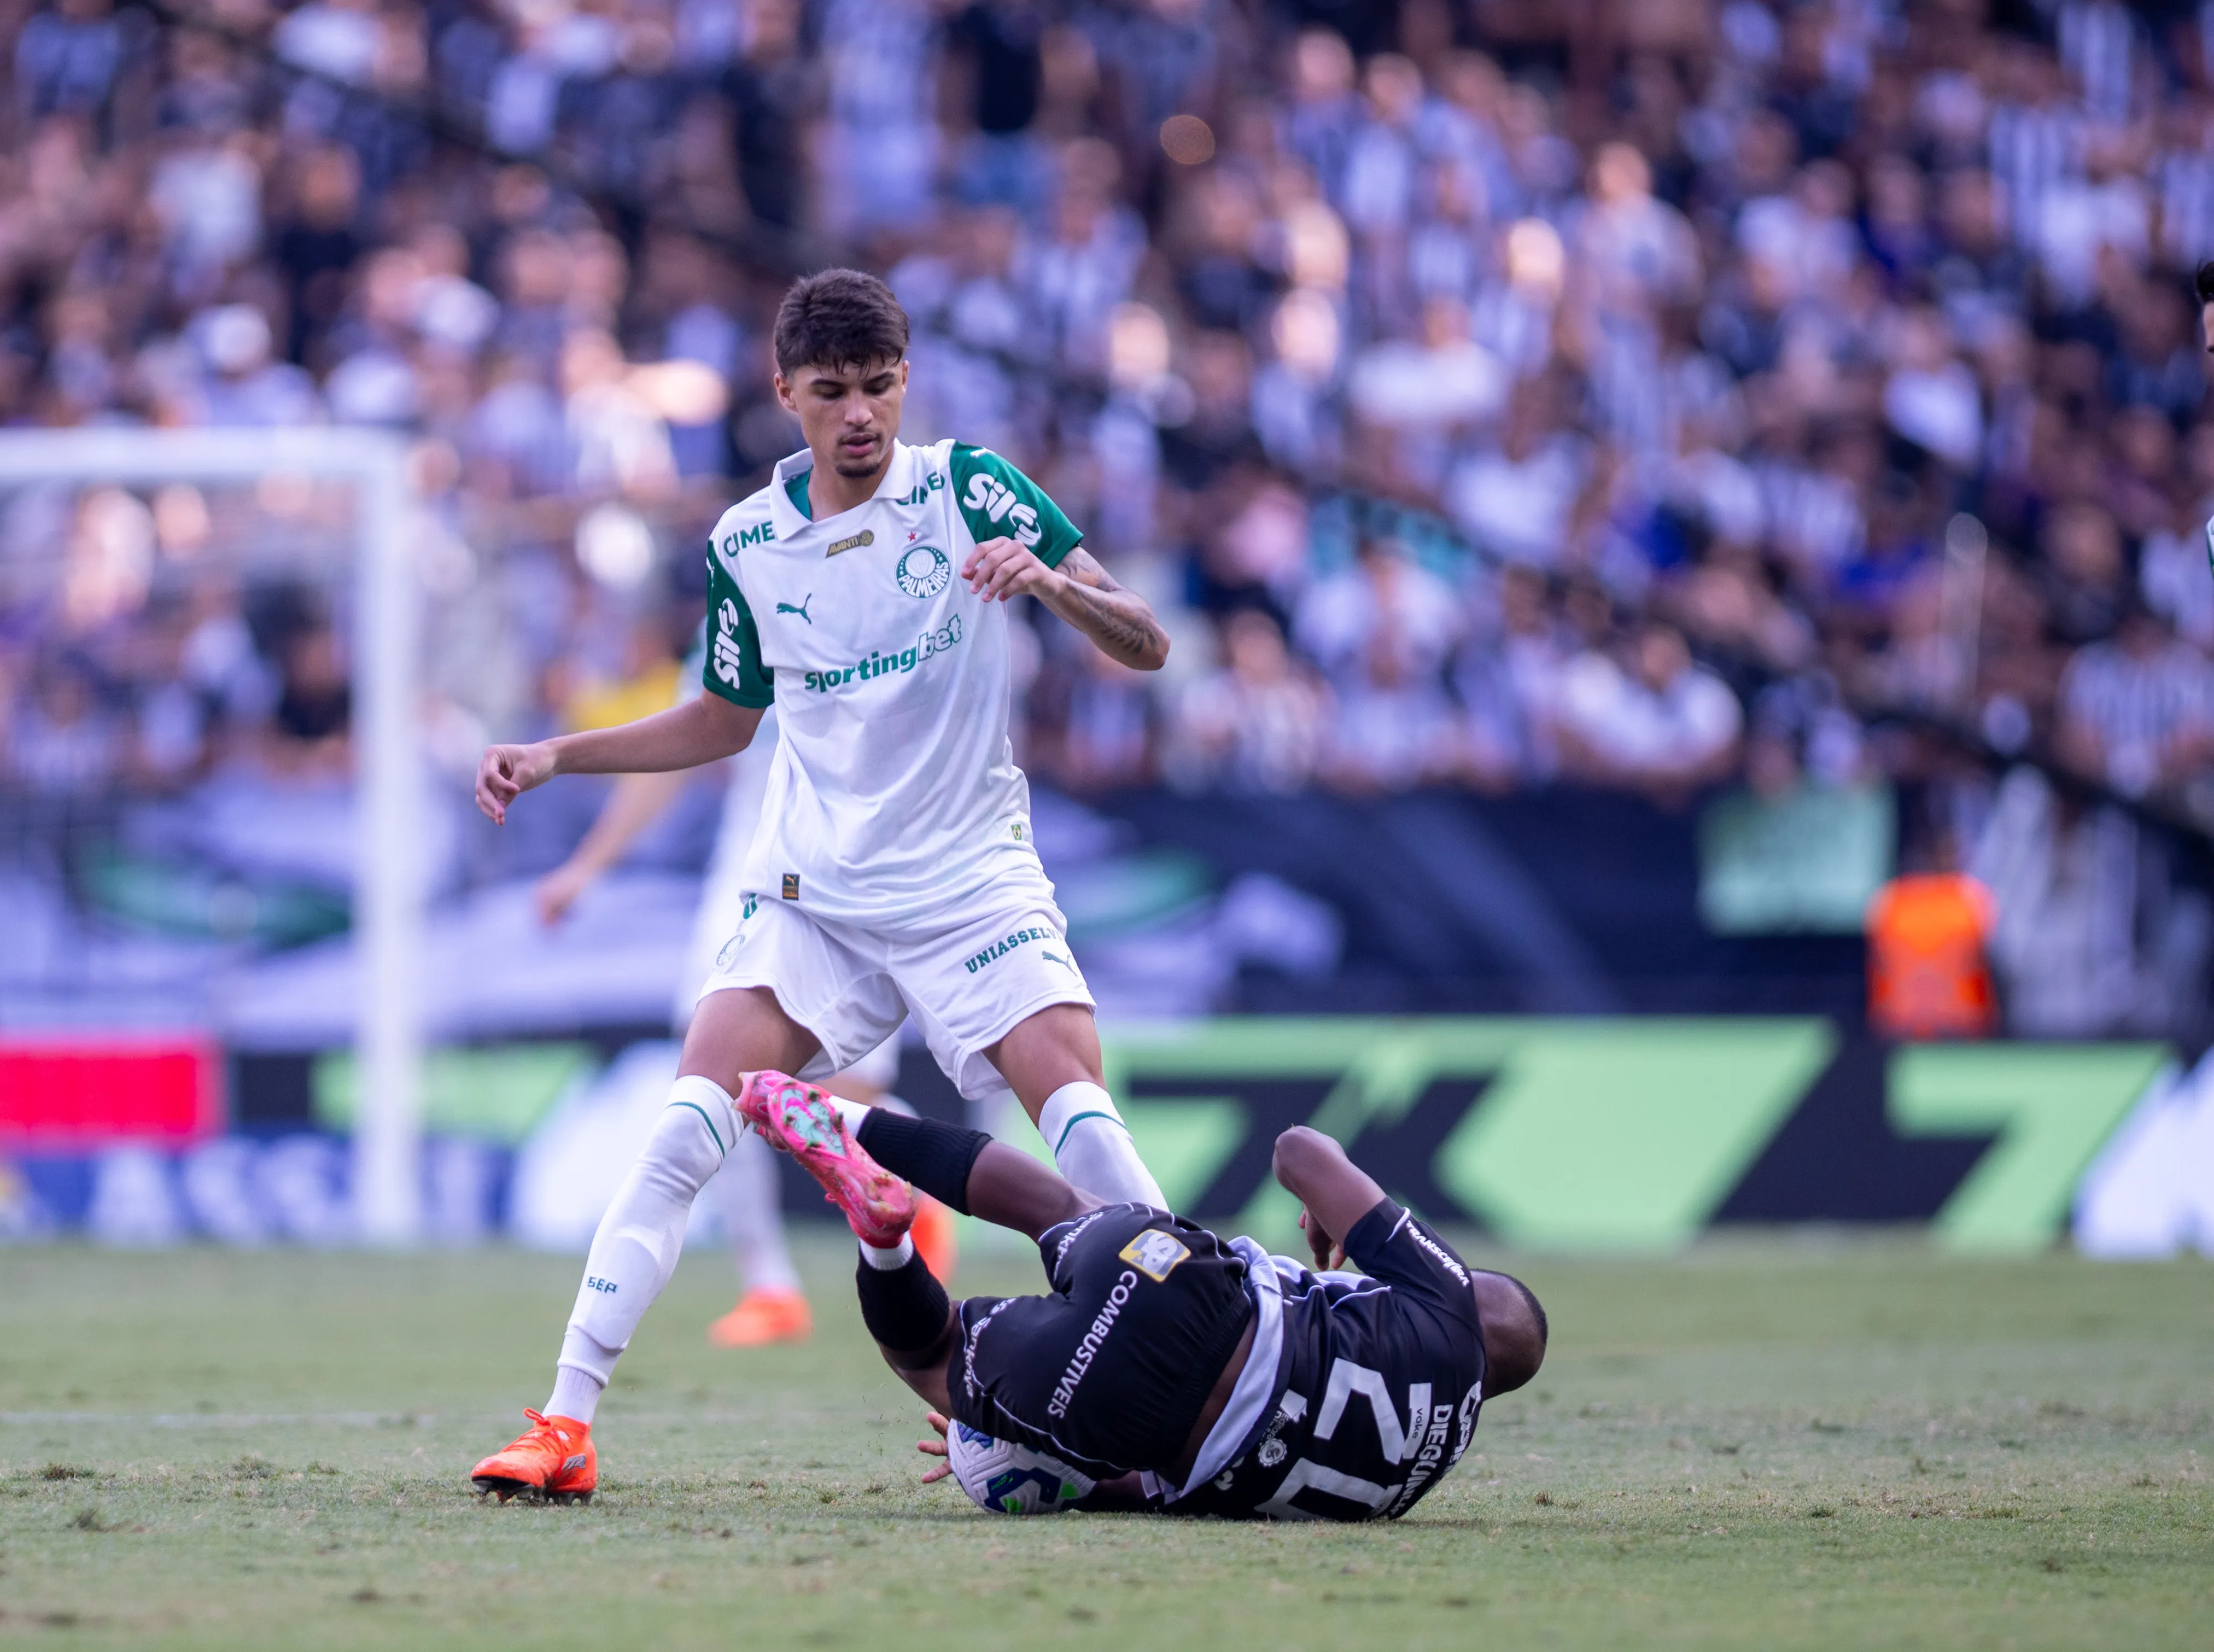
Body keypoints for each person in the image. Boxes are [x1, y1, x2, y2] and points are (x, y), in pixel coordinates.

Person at [468, 267, 1175, 1502]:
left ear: (906, 381)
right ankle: (563, 1424)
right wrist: (556, 755)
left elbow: (1145, 642)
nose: (860, 413)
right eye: (833, 390)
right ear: (784, 391)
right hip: (815, 896)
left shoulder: (969, 488)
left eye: (881, 385)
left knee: (1082, 1121)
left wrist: (1053, 585)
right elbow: (724, 721)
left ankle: (1208, 1364)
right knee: (690, 1116)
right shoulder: (746, 538)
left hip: (969, 886)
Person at [740, 1069, 1547, 1521]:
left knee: (1056, 1210)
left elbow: (1301, 1148)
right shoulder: (1404, 1490)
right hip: (1144, 1419)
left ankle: (839, 1113)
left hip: (1194, 1298)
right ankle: (883, 1239)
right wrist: (1019, 1454)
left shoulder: (1444, 1309)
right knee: (933, 1359)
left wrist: (1325, 1227)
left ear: (1471, 1296)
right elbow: (1144, 1491)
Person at [524, 674, 955, 1352]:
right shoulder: (743, 599)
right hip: (755, 876)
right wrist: (587, 866)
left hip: (852, 876)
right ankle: (771, 1285)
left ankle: (914, 1197)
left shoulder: (879, 595)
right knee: (713, 1073)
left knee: (834, 1087)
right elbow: (683, 744)